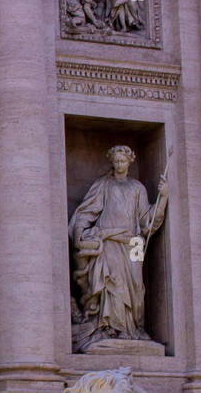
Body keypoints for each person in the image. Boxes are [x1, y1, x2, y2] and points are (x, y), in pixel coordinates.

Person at [69, 144, 166, 349]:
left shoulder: (137, 188)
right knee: (112, 286)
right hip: (109, 243)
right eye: (116, 161)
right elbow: (87, 211)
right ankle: (110, 328)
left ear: (130, 162)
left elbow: (146, 221)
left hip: (132, 244)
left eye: (123, 161)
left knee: (136, 290)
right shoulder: (104, 185)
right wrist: (80, 232)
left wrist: (163, 197)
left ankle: (132, 329)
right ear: (112, 162)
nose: (119, 164)